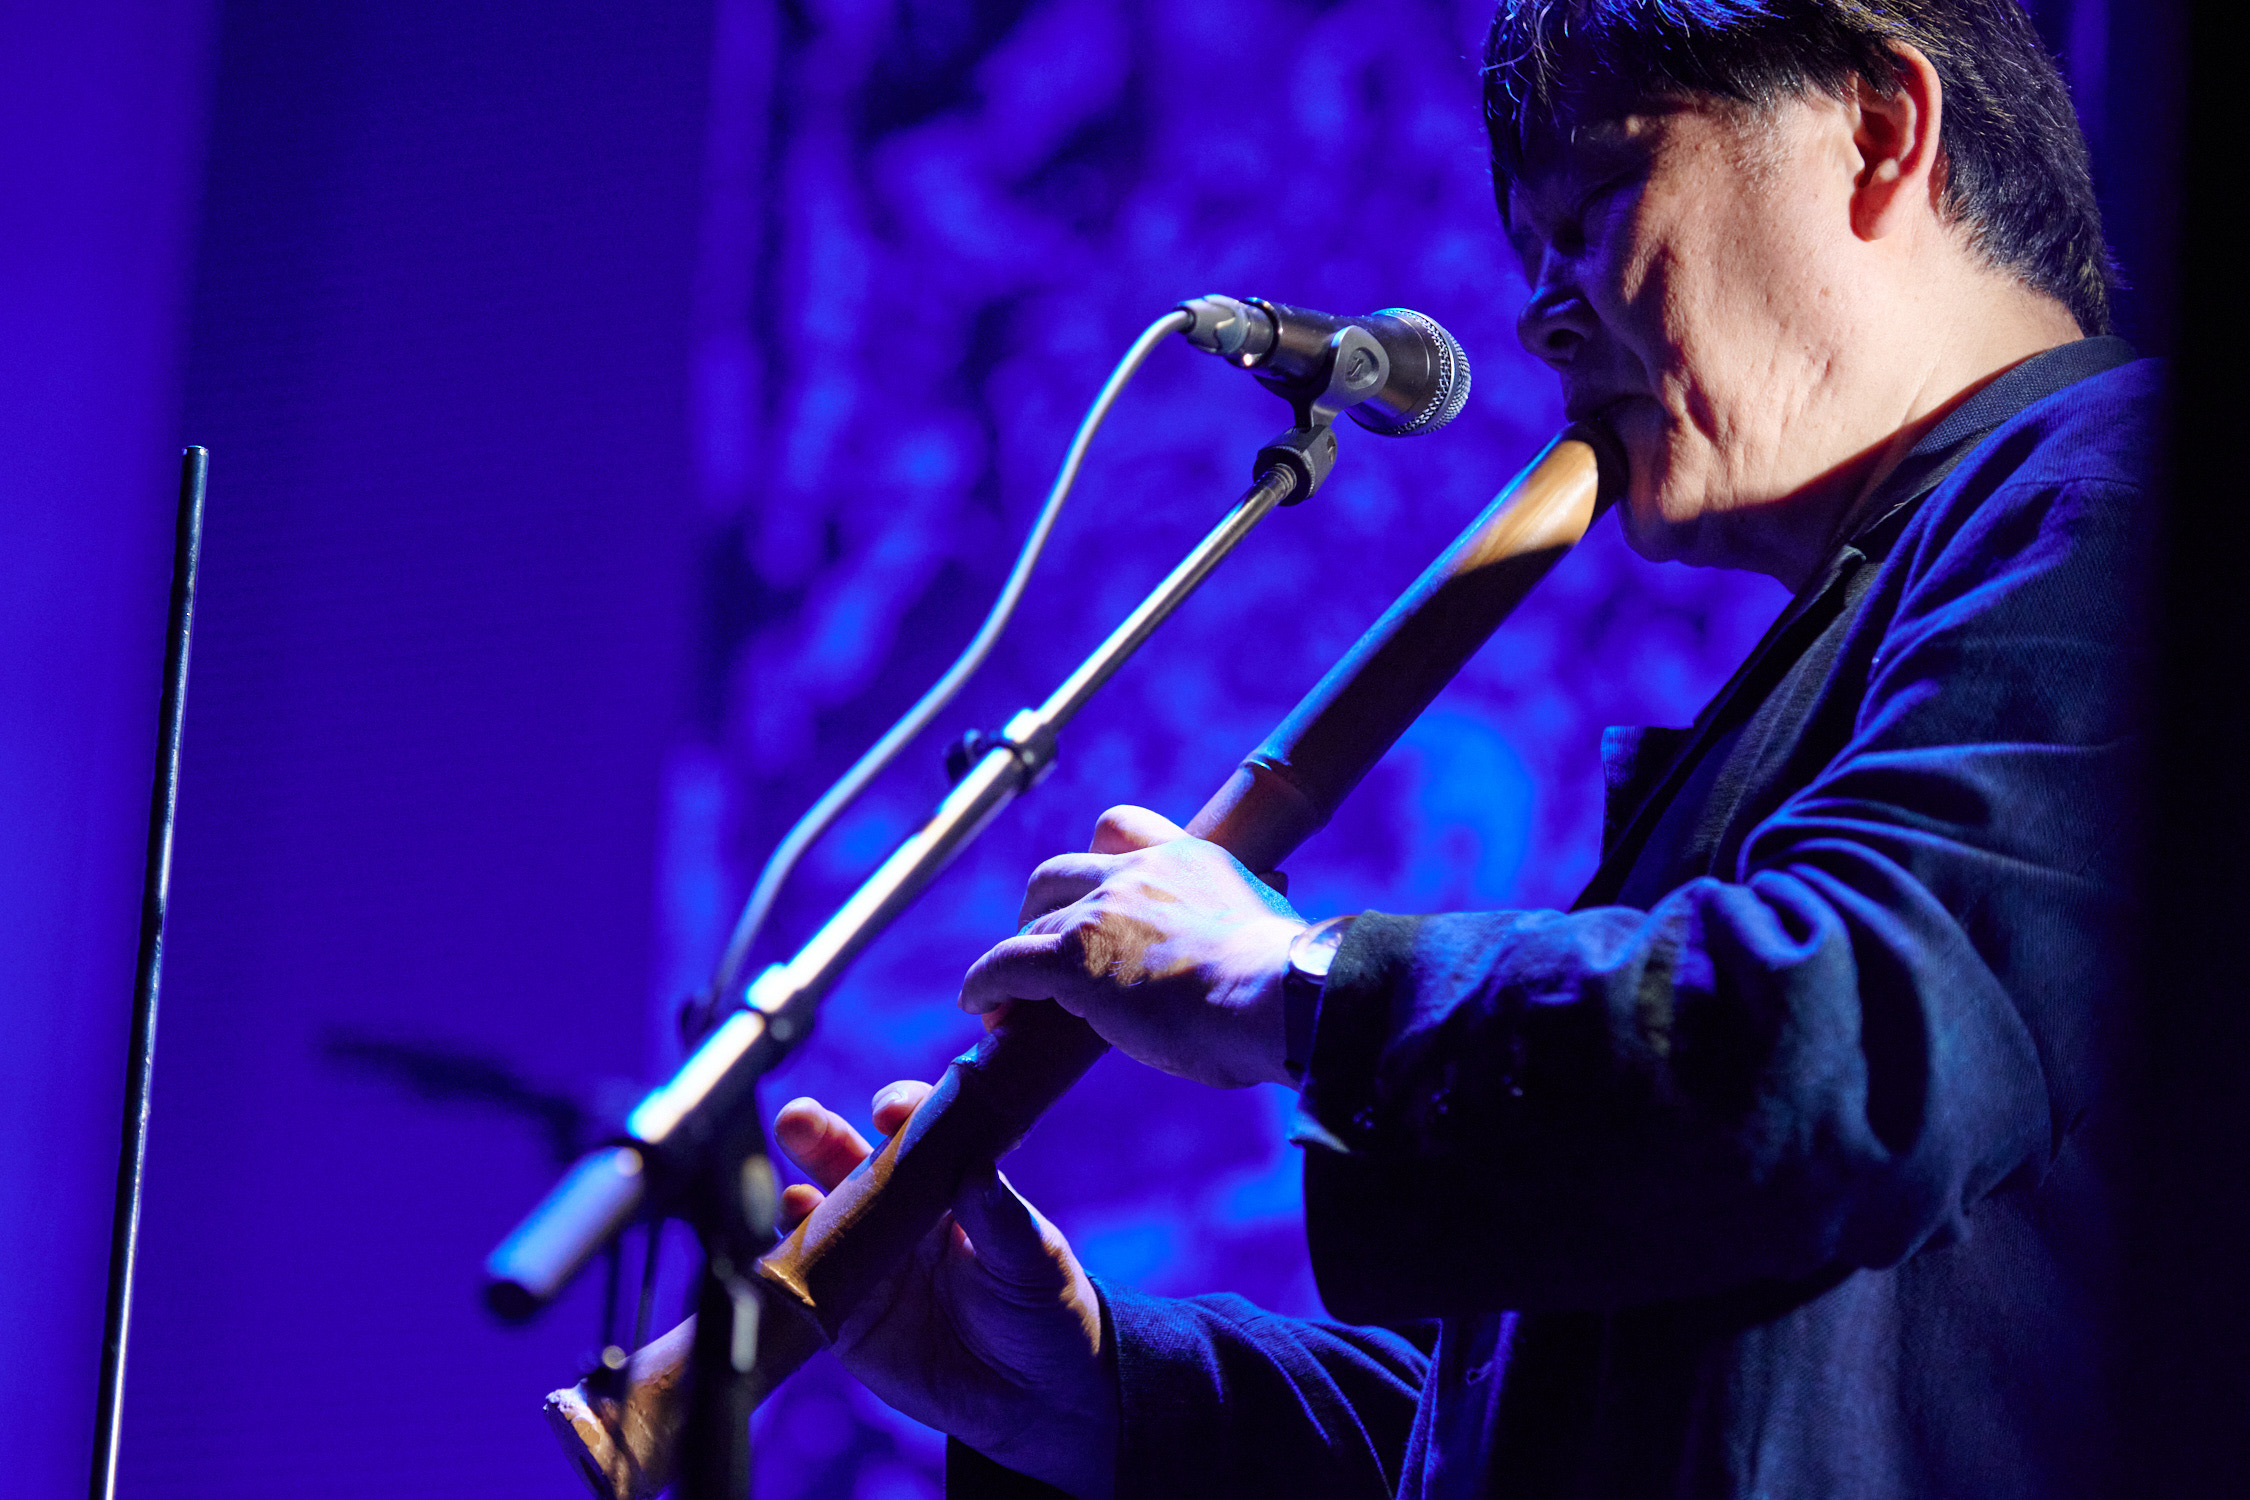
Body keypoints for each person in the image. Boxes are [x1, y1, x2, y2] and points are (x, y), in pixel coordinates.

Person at [771, 2, 2158, 1495]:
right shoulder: (1911, 594)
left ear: (1879, 130)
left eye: (1597, 203)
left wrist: (1290, 983)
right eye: (1529, 251)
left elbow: (1871, 1035)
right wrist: (1102, 1390)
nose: (1541, 315)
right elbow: (1602, 1402)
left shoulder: (2124, 499)